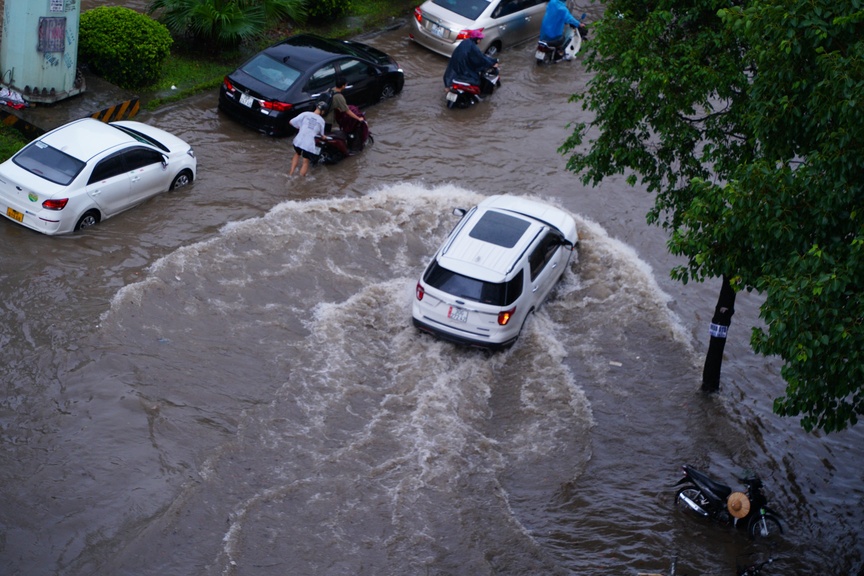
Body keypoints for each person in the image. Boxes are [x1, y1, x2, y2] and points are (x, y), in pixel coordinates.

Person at [289, 101, 327, 177]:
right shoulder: (321, 121)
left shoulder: (305, 114)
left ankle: (291, 173)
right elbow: (322, 134)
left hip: (298, 140)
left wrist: (300, 127)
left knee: (297, 154)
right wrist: (324, 137)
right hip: (308, 144)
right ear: (323, 111)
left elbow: (291, 122)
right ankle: (300, 179)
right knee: (305, 161)